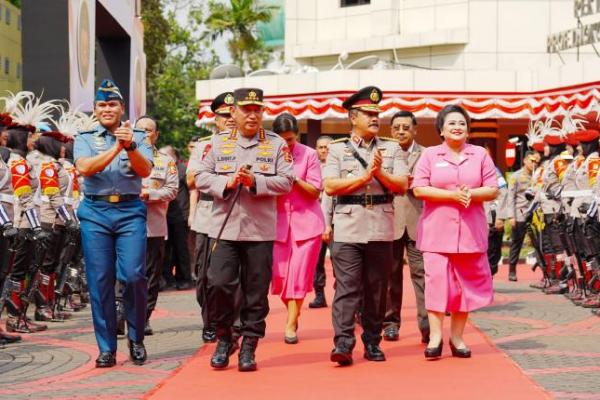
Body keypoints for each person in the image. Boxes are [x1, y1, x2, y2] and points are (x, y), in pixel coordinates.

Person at [196, 88, 294, 372]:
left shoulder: (275, 144)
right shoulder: (216, 143)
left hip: (259, 231)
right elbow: (201, 176)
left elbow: (288, 181)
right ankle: (225, 337)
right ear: (234, 113)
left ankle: (249, 344)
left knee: (255, 291)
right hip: (224, 228)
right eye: (246, 110)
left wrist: (255, 182)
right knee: (218, 284)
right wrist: (226, 183)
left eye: (257, 110)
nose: (252, 115)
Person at [323, 86, 408, 366]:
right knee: (347, 288)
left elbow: (402, 185)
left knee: (376, 289)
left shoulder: (392, 147)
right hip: (348, 227)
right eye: (369, 114)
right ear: (353, 117)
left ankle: (372, 341)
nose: (375, 117)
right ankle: (343, 344)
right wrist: (363, 178)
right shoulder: (337, 150)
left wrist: (379, 172)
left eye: (377, 113)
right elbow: (330, 185)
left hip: (381, 228)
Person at [74, 79, 153, 368]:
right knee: (100, 281)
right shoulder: (83, 136)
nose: (107, 109)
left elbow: (144, 170)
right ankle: (106, 347)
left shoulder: (140, 136)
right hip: (95, 212)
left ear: (122, 109)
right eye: (102, 105)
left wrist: (130, 145)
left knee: (133, 275)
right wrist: (116, 149)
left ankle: (136, 338)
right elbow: (85, 168)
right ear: (95, 109)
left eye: (112, 104)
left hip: (130, 210)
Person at [411, 104, 498, 359]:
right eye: (451, 123)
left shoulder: (480, 154)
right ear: (441, 129)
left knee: (465, 286)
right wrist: (452, 196)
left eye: (462, 123)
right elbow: (419, 188)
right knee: (436, 283)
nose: (457, 127)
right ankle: (435, 337)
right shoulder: (430, 155)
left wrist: (470, 194)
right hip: (436, 233)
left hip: (471, 233)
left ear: (468, 129)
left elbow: (492, 188)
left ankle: (457, 338)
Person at [187, 91, 237, 343]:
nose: (229, 119)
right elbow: (191, 179)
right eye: (224, 115)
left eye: (232, 114)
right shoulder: (204, 145)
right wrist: (222, 179)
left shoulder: (247, 144)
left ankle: (232, 323)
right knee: (205, 276)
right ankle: (210, 321)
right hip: (208, 215)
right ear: (215, 119)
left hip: (238, 214)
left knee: (234, 275)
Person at [271, 113, 324, 344]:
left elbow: (315, 190)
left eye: (291, 139)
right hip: (276, 223)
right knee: (280, 277)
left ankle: (291, 323)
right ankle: (295, 310)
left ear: (297, 135)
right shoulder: (266, 154)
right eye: (282, 140)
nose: (286, 145)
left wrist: (293, 179)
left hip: (308, 224)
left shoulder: (309, 154)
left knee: (299, 277)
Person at [383, 110, 429, 344]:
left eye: (406, 127)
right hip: (389, 222)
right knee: (390, 277)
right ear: (390, 130)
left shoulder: (427, 155)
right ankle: (390, 323)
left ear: (415, 129)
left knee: (421, 275)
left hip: (418, 222)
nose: (401, 131)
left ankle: (427, 324)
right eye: (396, 127)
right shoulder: (383, 153)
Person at [136, 116, 178, 335]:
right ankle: (123, 314)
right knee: (126, 274)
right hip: (127, 226)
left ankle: (144, 317)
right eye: (140, 130)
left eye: (149, 130)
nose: (145, 134)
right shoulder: (124, 156)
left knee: (151, 276)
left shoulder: (165, 161)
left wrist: (149, 193)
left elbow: (172, 190)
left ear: (156, 135)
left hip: (154, 226)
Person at [162, 146, 193, 291]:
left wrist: (192, 214)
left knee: (181, 248)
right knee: (165, 250)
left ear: (173, 155)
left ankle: (184, 278)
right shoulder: (161, 169)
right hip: (164, 215)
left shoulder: (182, 169)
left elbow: (193, 191)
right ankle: (166, 278)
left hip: (181, 214)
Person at [507, 151, 539, 281]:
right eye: (531, 161)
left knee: (540, 243)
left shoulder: (537, 176)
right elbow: (510, 197)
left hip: (536, 214)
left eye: (536, 161)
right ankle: (512, 271)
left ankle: (546, 272)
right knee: (516, 243)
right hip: (520, 214)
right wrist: (511, 216)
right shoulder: (516, 176)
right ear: (525, 160)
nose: (534, 163)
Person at [309, 135, 333, 309]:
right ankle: (319, 294)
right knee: (317, 261)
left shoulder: (338, 167)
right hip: (315, 220)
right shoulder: (312, 168)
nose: (324, 150)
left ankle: (343, 294)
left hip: (336, 221)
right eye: (320, 147)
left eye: (327, 147)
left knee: (340, 261)